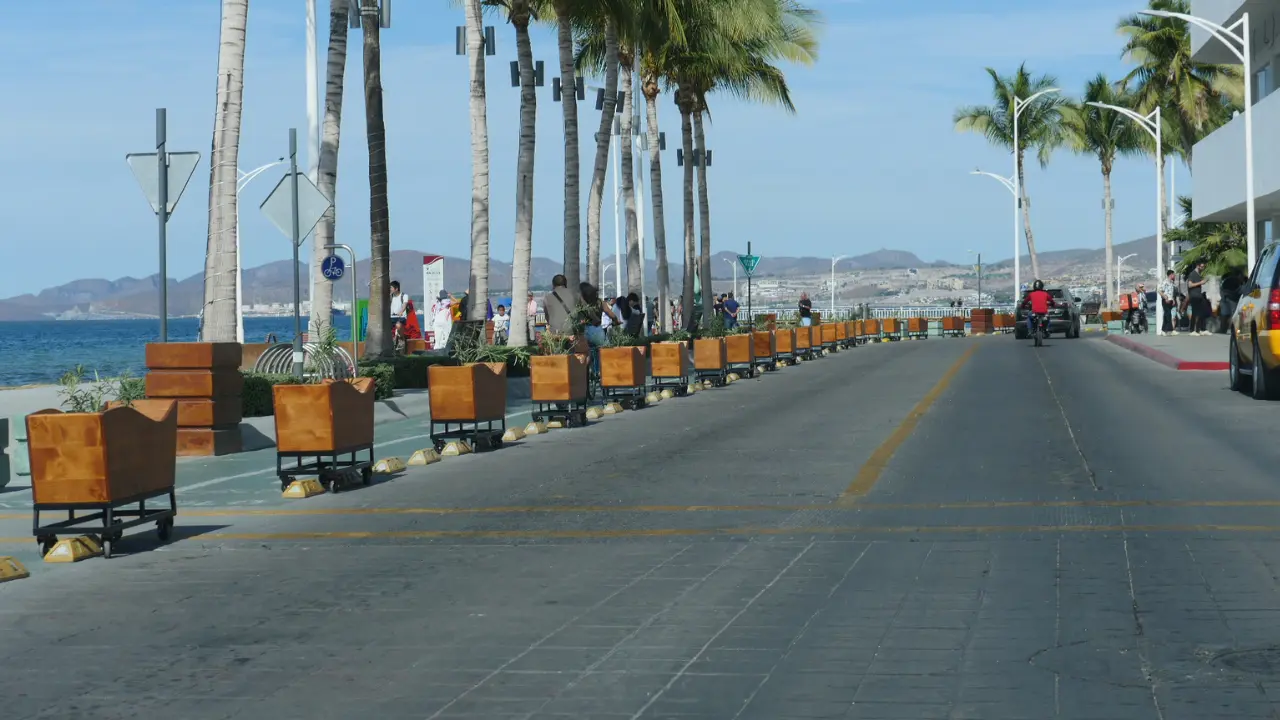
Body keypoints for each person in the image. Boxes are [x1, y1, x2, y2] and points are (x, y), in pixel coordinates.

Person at [1187, 261, 1210, 335]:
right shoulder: (1192, 274)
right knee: (1195, 312)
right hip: (1194, 296)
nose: (1203, 268)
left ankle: (1201, 329)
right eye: (1202, 267)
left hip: (1199, 295)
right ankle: (1192, 330)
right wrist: (1201, 283)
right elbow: (1190, 285)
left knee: (1202, 312)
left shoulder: (1199, 274)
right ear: (1198, 266)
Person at [1159, 270, 1177, 334]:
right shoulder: (1165, 282)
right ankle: (1171, 330)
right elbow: (1160, 291)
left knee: (1166, 315)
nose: (1174, 276)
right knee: (1168, 314)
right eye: (1173, 274)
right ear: (1170, 275)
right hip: (1165, 301)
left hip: (1170, 301)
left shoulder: (1171, 282)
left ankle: (1163, 330)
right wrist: (1164, 297)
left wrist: (1173, 300)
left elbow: (1171, 292)